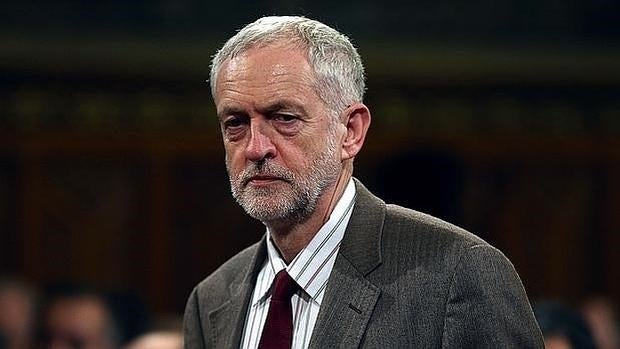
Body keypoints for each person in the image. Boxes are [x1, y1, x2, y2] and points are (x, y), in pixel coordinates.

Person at [183, 16, 543, 348]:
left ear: (351, 132)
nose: (256, 148)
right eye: (235, 124)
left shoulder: (457, 275)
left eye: (284, 118)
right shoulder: (211, 301)